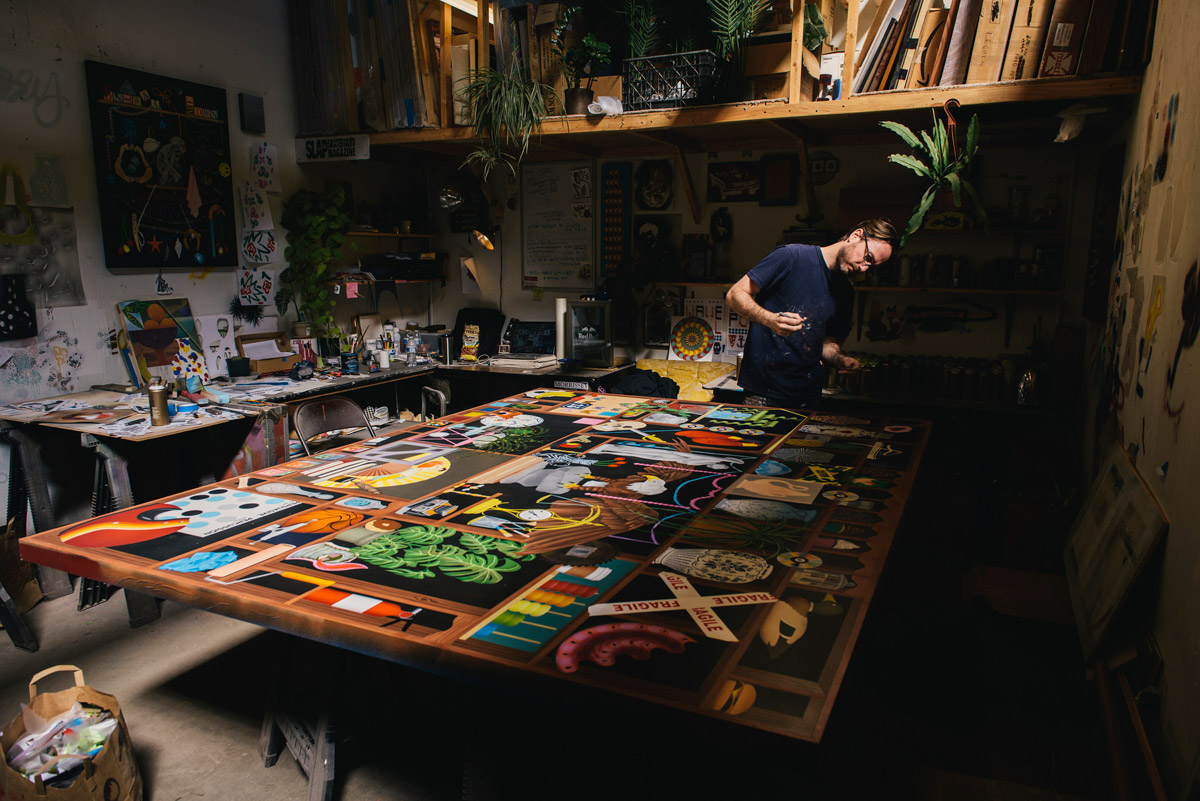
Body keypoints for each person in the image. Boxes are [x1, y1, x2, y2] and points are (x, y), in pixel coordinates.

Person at [725, 219, 898, 409]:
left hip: (810, 395)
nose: (863, 268)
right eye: (867, 257)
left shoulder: (846, 291)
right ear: (856, 236)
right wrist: (770, 319)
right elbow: (734, 295)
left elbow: (827, 346)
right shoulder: (791, 256)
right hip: (764, 392)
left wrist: (840, 359)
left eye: (871, 266)